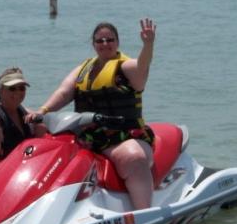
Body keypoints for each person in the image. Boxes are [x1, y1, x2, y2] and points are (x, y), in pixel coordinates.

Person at [26, 19, 156, 209]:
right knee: (37, 129)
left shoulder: (126, 68)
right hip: (88, 134)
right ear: (93, 44)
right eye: (99, 41)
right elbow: (64, 93)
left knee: (134, 158)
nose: (105, 44)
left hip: (121, 136)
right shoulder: (84, 69)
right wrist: (42, 111)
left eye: (110, 40)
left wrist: (148, 45)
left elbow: (142, 66)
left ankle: (143, 211)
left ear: (117, 42)